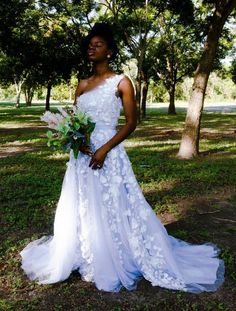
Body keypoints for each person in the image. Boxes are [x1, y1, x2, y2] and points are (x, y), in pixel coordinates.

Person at [20, 23, 224, 293]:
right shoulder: (81, 84)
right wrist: (76, 140)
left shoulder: (122, 82)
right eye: (89, 45)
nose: (92, 48)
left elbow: (130, 123)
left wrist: (104, 148)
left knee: (114, 201)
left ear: (110, 51)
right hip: (81, 156)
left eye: (98, 45)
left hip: (109, 153)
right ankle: (86, 251)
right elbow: (75, 121)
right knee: (82, 201)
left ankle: (117, 250)